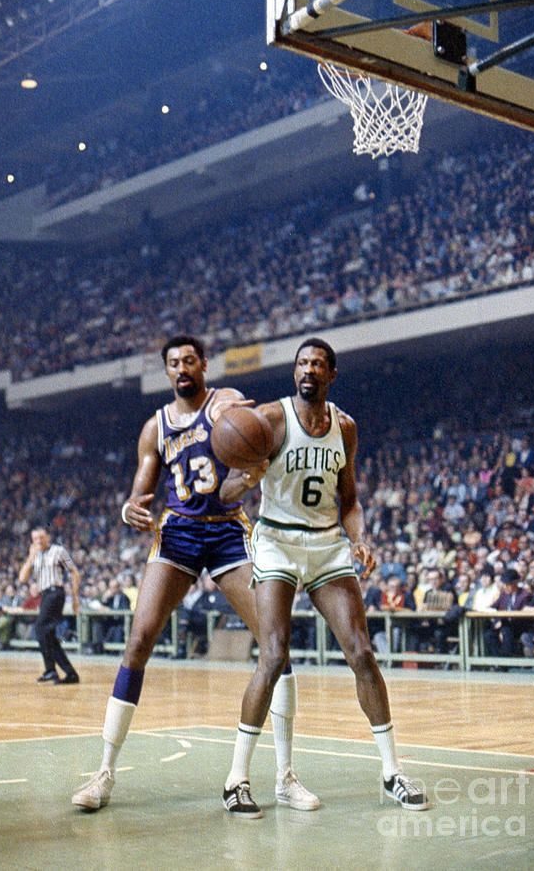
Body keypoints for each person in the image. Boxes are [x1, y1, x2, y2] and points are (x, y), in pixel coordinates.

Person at [72, 335, 317, 812]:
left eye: (189, 360)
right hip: (180, 532)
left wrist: (253, 458)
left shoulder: (224, 402)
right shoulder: (155, 427)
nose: (182, 368)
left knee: (274, 643)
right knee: (139, 640)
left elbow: (251, 420)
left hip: (228, 532)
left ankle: (285, 776)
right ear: (166, 372)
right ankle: (103, 774)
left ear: (204, 365)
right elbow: (138, 494)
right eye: (173, 363)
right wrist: (129, 512)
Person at [221, 338, 430, 818]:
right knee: (273, 656)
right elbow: (227, 489)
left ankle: (392, 772)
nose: (308, 369)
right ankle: (236, 779)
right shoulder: (270, 421)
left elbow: (350, 499)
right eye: (301, 363)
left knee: (361, 651)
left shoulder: (346, 428)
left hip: (326, 544)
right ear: (294, 373)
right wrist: (248, 477)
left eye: (317, 363)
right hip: (276, 542)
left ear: (331, 374)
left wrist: (360, 538)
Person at [18, 527, 80, 684]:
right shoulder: (35, 556)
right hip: (45, 595)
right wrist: (30, 557)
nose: (38, 540)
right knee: (48, 635)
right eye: (35, 538)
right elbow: (22, 579)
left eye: (41, 537)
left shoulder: (58, 551)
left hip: (55, 592)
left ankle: (51, 670)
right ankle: (68, 673)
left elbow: (74, 571)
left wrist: (75, 598)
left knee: (40, 628)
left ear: (48, 537)